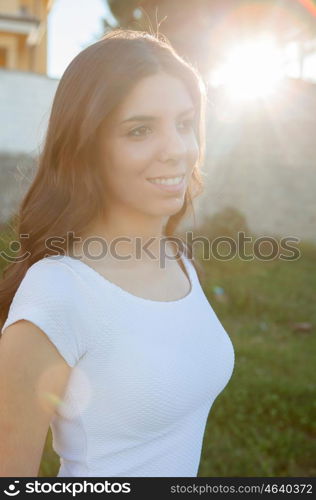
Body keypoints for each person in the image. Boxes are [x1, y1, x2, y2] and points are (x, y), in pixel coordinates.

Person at [0, 29, 235, 477]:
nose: (178, 151)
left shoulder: (179, 260)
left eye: (185, 124)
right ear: (87, 148)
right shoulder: (58, 291)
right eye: (140, 130)